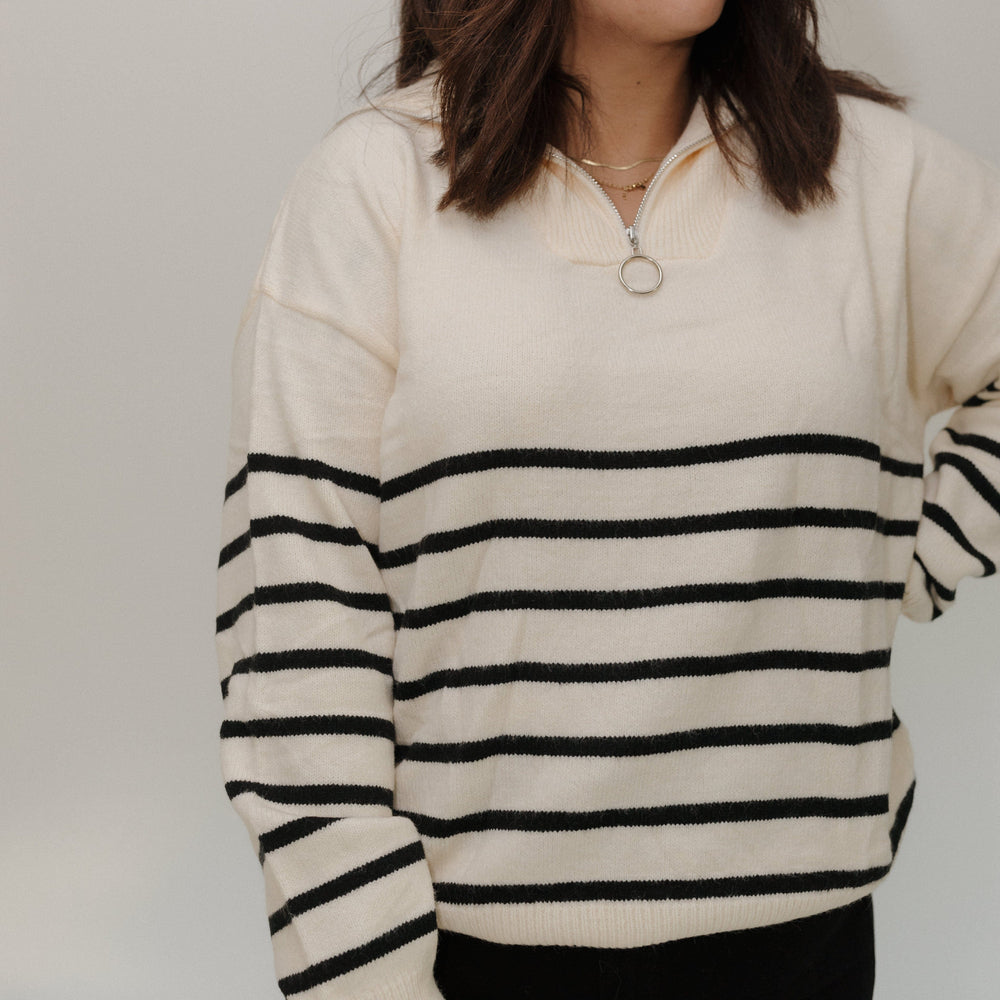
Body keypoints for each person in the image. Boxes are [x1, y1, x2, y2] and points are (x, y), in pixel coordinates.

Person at [213, 1, 1000, 997]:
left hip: (803, 938)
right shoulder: (372, 187)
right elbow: (298, 617)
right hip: (474, 956)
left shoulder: (871, 177)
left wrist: (916, 550)